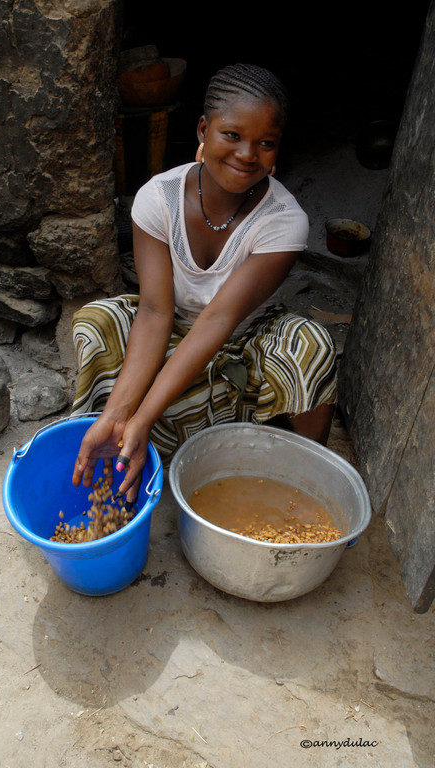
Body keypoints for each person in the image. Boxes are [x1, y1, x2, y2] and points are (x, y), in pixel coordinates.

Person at [71, 63, 337, 503]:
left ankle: (302, 481)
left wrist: (143, 417)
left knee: (312, 347)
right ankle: (114, 431)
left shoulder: (284, 221)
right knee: (97, 320)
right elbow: (155, 312)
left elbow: (218, 320)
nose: (248, 154)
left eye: (266, 143)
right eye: (232, 135)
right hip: (169, 327)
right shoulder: (158, 198)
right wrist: (123, 416)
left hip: (241, 336)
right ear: (203, 129)